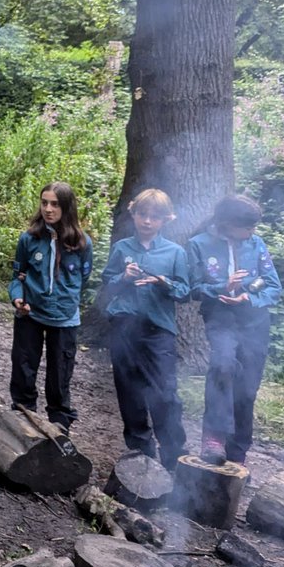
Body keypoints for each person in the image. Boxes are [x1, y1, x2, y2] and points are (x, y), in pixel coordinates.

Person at [100, 188, 191, 469]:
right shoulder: (123, 248)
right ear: (134, 214)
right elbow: (108, 284)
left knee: (165, 392)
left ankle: (173, 454)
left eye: (155, 217)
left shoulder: (175, 253)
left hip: (158, 331)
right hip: (125, 328)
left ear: (166, 219)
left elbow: (185, 291)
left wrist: (165, 283)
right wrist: (123, 277)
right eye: (142, 214)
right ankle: (141, 453)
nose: (147, 221)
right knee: (129, 391)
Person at [188, 194, 281, 465]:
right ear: (227, 223)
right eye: (248, 227)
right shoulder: (199, 245)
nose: (252, 232)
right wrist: (222, 288)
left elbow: (273, 286)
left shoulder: (256, 244)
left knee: (247, 387)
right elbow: (194, 288)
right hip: (221, 317)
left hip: (254, 320)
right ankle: (214, 439)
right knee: (223, 365)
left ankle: (238, 451)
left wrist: (248, 297)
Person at [9, 182, 93, 434]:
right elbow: (18, 275)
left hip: (64, 317)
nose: (48, 209)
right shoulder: (29, 238)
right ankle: (23, 419)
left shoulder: (81, 243)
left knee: (60, 374)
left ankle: (59, 425)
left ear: (67, 207)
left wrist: (65, 297)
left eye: (55, 204)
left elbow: (84, 278)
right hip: (30, 314)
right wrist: (17, 298)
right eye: (44, 202)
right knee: (23, 368)